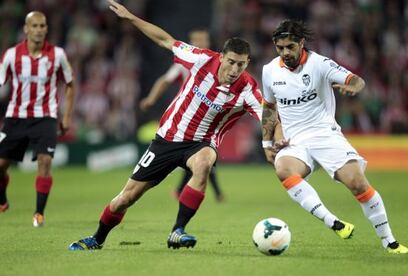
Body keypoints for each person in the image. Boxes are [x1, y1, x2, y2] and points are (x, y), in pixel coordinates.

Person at [68, 0, 262, 251]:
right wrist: (130, 17)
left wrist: (276, 138)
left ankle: (177, 231)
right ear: (222, 56)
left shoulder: (247, 87)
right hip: (168, 138)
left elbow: (268, 113)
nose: (235, 69)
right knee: (126, 198)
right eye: (232, 62)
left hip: (201, 142)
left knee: (204, 164)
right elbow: (164, 39)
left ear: (247, 63)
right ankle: (97, 238)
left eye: (242, 64)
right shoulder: (202, 59)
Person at [261, 19, 408, 254]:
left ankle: (389, 241)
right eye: (280, 48)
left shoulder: (320, 64)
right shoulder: (269, 71)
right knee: (283, 168)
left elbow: (355, 80)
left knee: (357, 183)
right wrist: (267, 142)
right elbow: (269, 106)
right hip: (295, 142)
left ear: (301, 43)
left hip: (325, 136)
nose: (285, 52)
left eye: (290, 47)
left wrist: (353, 87)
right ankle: (335, 223)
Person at [0, 11, 75, 227]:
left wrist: (67, 116)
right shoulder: (12, 55)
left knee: (45, 161)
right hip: (16, 116)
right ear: (26, 28)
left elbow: (70, 83)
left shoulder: (58, 54)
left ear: (46, 29)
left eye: (42, 26)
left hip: (46, 117)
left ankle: (39, 213)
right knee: (1, 166)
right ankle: (3, 195)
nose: (39, 30)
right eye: (34, 26)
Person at [139, 29, 224, 202]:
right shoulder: (185, 63)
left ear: (208, 42)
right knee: (200, 157)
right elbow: (165, 80)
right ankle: (211, 193)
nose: (199, 43)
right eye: (195, 40)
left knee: (203, 158)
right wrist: (151, 98)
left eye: (202, 39)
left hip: (209, 119)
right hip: (188, 118)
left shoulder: (219, 64)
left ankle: (187, 191)